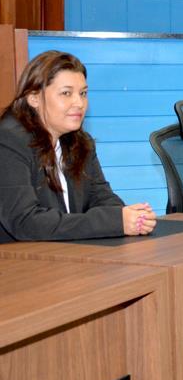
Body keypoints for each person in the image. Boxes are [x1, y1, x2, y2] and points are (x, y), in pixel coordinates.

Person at [0, 51, 156, 242]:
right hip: (17, 263)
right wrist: (114, 222)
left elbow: (102, 198)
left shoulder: (81, 142)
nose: (79, 103)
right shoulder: (8, 141)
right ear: (33, 97)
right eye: (66, 93)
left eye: (83, 93)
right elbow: (25, 222)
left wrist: (132, 217)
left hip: (67, 256)